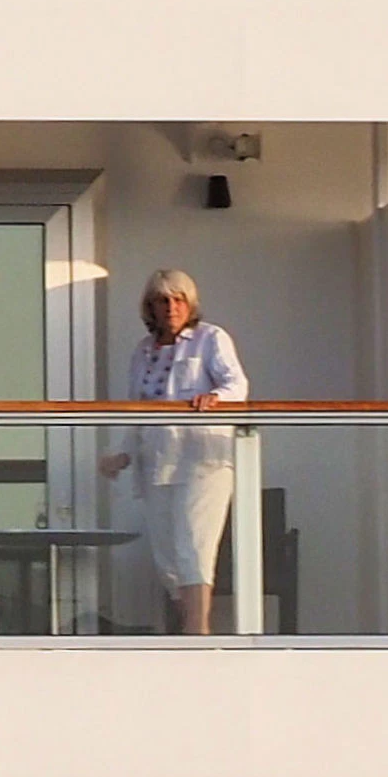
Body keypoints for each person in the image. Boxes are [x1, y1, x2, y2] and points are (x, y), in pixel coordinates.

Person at [100, 266, 250, 635]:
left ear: (189, 303)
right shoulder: (143, 352)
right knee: (166, 551)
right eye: (161, 300)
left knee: (194, 544)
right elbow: (138, 408)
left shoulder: (210, 339)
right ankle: (186, 625)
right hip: (157, 461)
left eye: (177, 299)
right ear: (149, 307)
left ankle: (197, 632)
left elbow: (237, 384)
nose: (170, 307)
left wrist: (214, 397)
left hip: (202, 460)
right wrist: (122, 452)